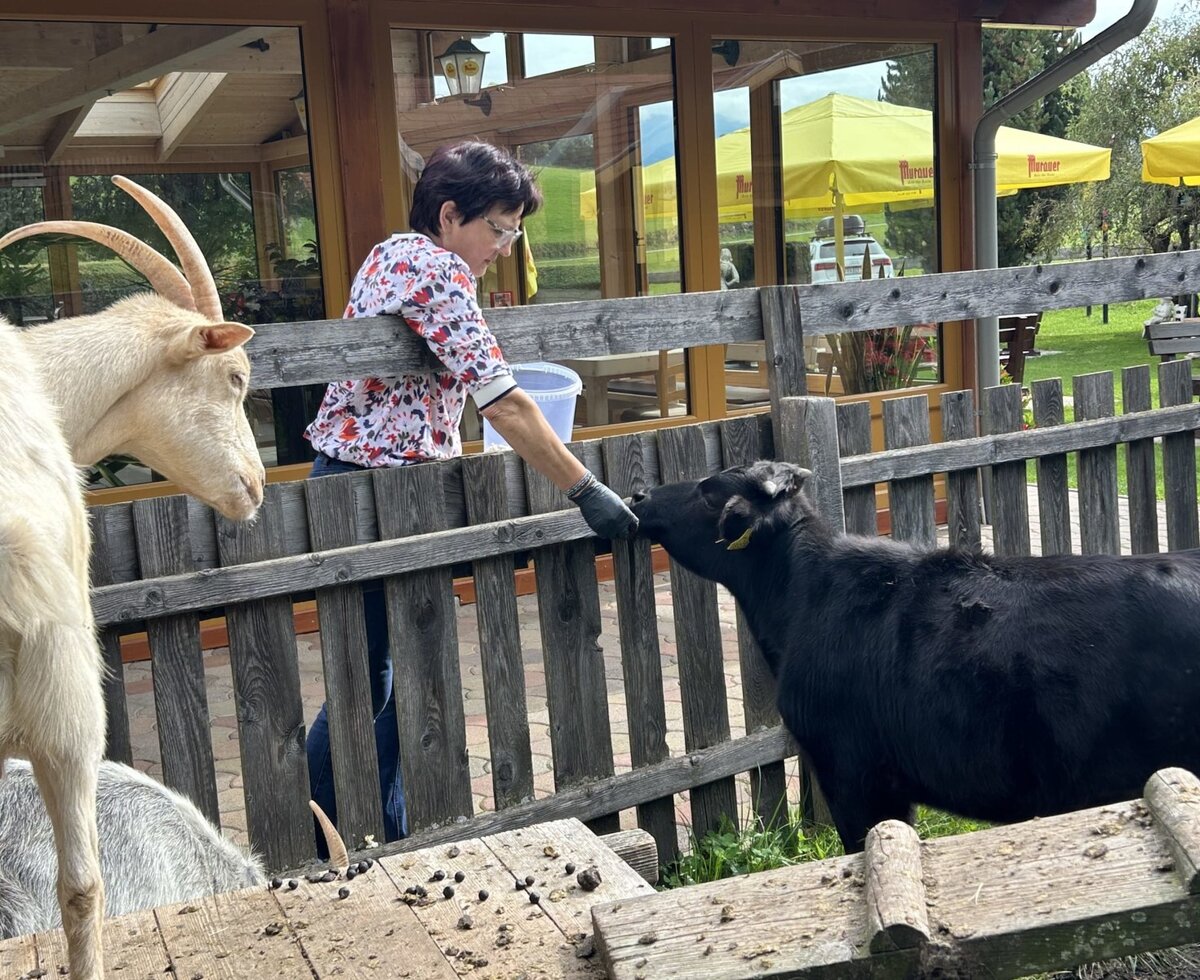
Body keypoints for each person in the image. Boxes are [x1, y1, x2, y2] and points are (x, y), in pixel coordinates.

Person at [302, 140, 638, 851]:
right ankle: (309, 833)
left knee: (381, 675)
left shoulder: (388, 253)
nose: (506, 247)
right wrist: (585, 489)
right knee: (368, 682)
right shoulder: (436, 270)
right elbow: (505, 404)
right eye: (499, 228)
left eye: (515, 231)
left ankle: (378, 834)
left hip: (349, 481)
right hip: (379, 495)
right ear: (450, 215)